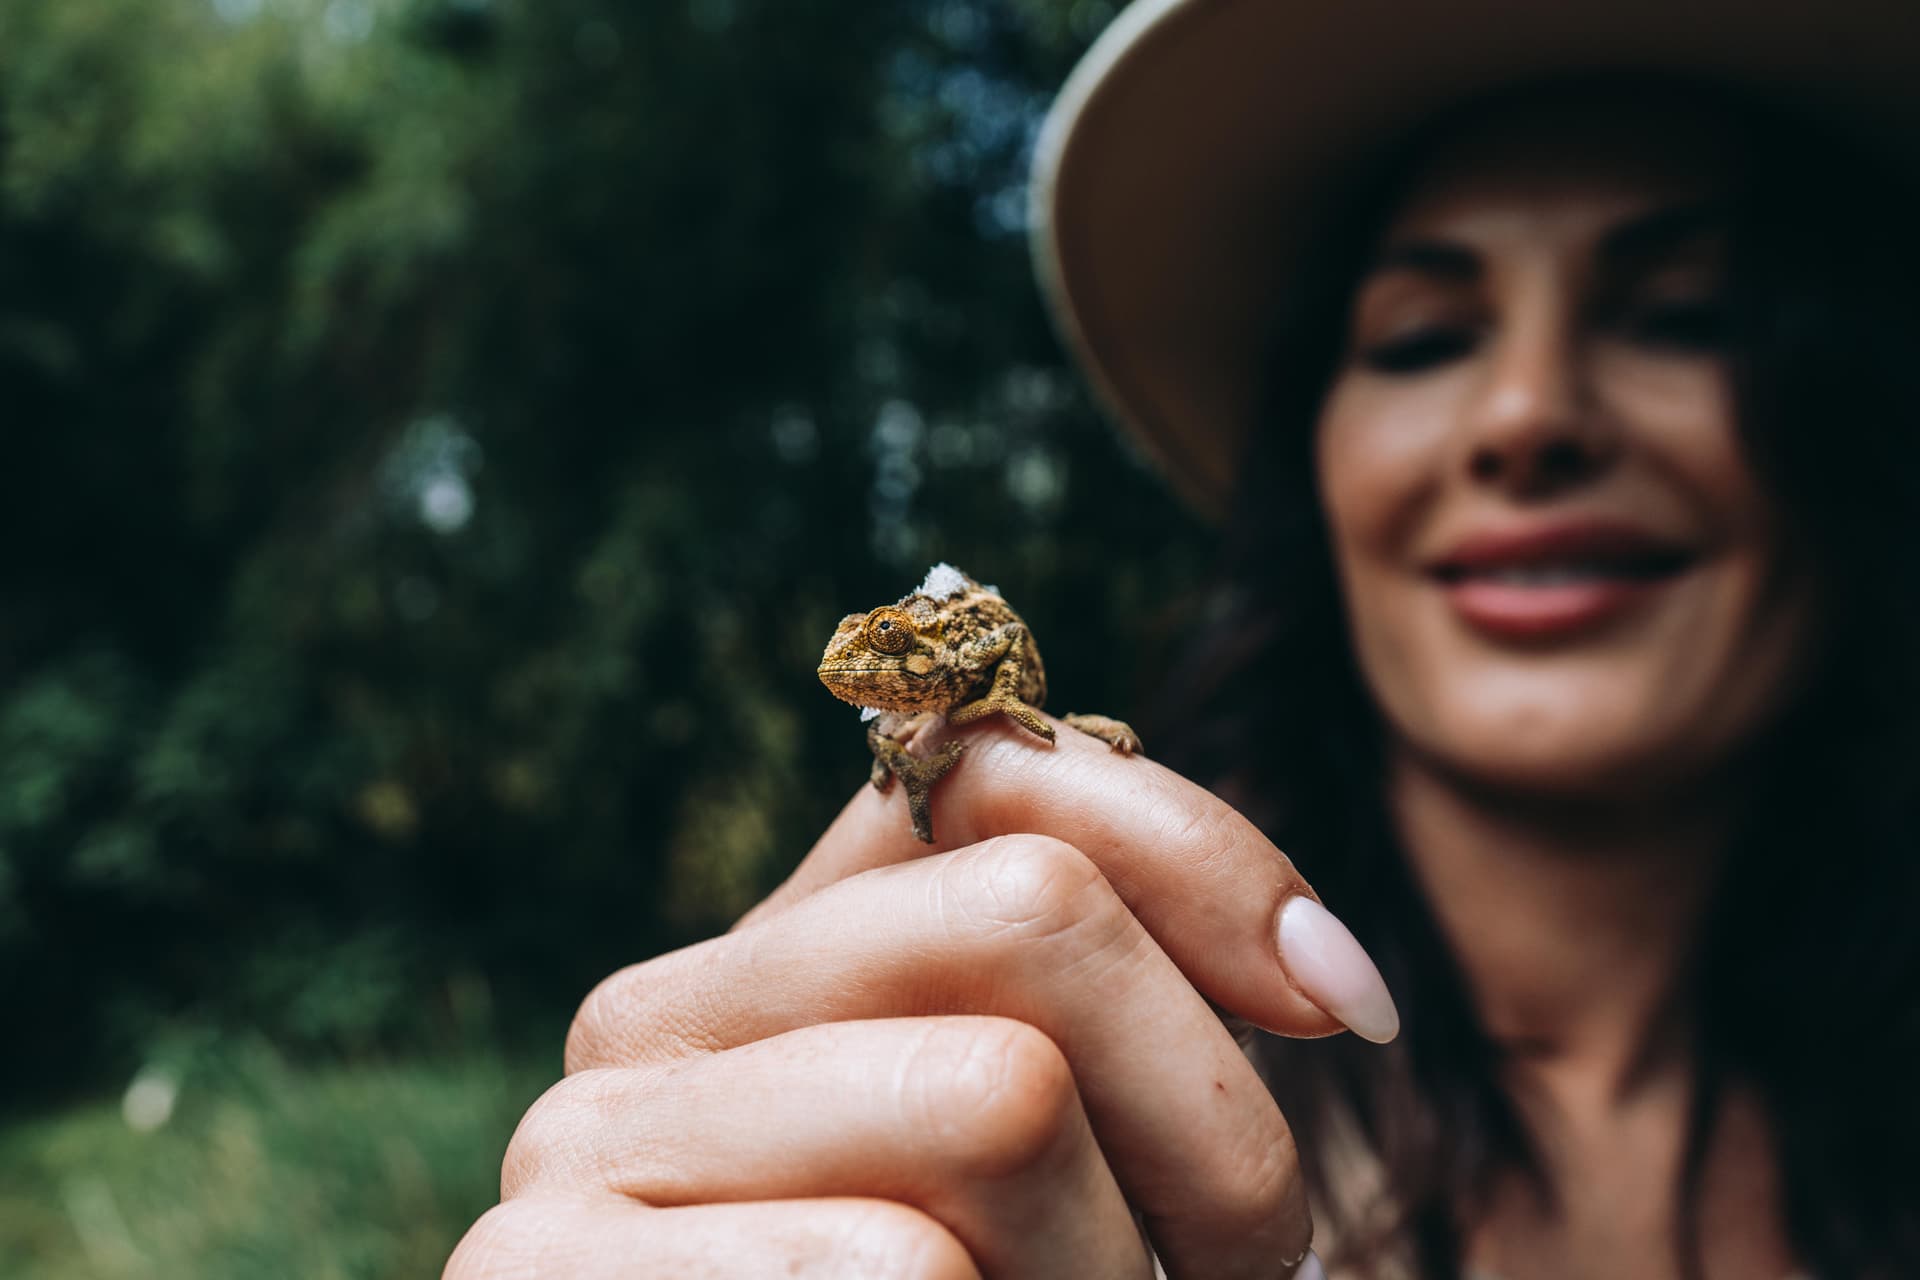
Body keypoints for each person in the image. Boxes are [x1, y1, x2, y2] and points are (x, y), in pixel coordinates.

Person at [445, 1, 1920, 1276]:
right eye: (1419, 339)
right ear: (1319, 472)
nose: (1528, 417)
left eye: (1685, 316)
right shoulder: (1078, 1053)